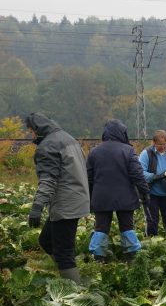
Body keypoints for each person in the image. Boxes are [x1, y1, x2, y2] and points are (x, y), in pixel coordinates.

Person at [25, 113, 90, 283]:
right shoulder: (67, 138)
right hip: (76, 198)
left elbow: (48, 180)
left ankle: (75, 291)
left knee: (63, 252)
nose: (31, 135)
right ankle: (66, 275)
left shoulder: (48, 146)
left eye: (31, 131)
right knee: (46, 240)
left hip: (66, 203)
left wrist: (37, 207)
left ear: (36, 129)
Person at [86, 119, 150, 262]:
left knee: (101, 227)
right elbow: (137, 174)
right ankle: (132, 258)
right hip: (125, 197)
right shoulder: (128, 150)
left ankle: (98, 259)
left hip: (101, 197)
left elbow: (88, 178)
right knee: (127, 226)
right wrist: (145, 192)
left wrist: (90, 197)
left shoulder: (94, 151)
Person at [139, 130, 166, 236]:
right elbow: (140, 173)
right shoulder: (147, 153)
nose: (163, 147)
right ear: (153, 142)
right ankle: (152, 243)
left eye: (165, 144)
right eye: (160, 144)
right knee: (152, 221)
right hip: (151, 193)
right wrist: (159, 176)